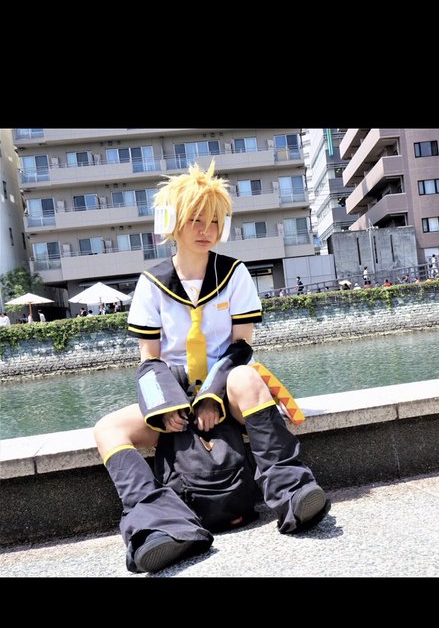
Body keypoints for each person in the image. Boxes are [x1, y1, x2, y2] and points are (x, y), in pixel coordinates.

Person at [94, 162, 329, 573]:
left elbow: (241, 348)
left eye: (216, 220)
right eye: (196, 219)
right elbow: (149, 360)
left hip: (226, 387)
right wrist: (166, 407)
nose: (207, 229)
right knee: (107, 428)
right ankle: (160, 526)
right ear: (172, 221)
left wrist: (210, 397)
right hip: (174, 391)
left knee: (246, 376)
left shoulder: (234, 274)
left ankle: (293, 492)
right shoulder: (151, 283)